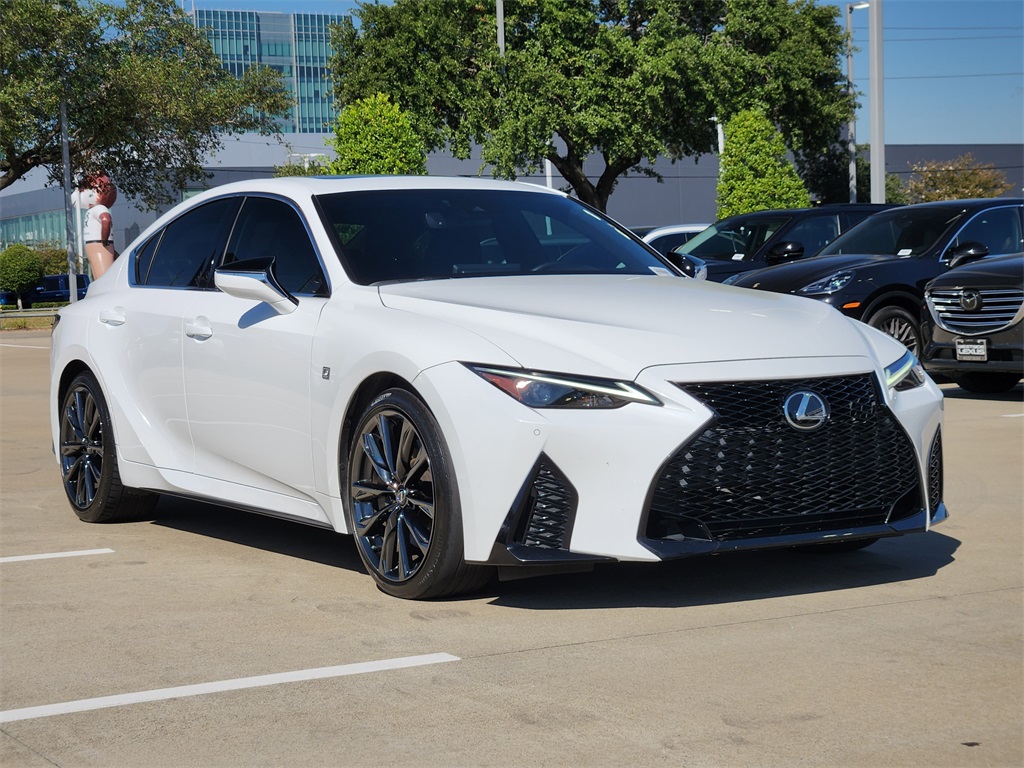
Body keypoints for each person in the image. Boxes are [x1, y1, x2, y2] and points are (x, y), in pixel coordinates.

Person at [80, 172, 118, 278]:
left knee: (102, 276)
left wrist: (104, 240)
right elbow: (106, 220)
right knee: (99, 275)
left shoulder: (99, 208)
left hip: (98, 243)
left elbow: (106, 220)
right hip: (97, 244)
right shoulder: (94, 209)